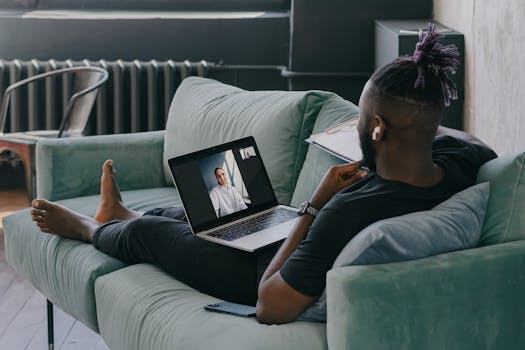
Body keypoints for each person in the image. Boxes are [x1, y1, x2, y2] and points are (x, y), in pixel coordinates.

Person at [30, 24, 496, 325]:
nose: (356, 123)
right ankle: (121, 213)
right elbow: (475, 144)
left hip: (255, 272)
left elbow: (269, 304)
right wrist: (412, 130)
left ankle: (93, 228)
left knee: (152, 232)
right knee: (191, 209)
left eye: (361, 117)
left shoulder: (349, 211)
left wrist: (314, 205)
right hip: (289, 231)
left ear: (375, 129)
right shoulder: (457, 161)